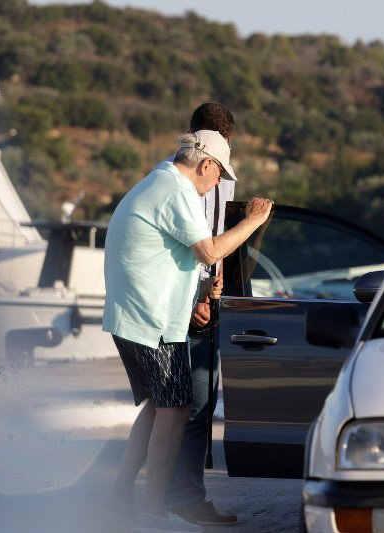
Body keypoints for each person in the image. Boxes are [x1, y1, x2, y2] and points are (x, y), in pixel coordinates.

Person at [103, 129, 272, 532]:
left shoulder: (159, 179)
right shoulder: (177, 189)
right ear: (207, 164)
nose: (217, 184)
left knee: (159, 407)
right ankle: (152, 510)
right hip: (152, 322)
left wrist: (200, 287)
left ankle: (119, 495)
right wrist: (254, 220)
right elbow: (210, 250)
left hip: (137, 317)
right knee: (176, 409)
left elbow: (166, 252)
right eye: (219, 175)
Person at [165, 103, 239, 526]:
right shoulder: (184, 180)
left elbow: (216, 237)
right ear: (220, 143)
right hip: (186, 300)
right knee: (189, 406)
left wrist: (217, 283)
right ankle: (182, 498)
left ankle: (172, 495)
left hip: (205, 294)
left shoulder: (209, 175)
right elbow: (198, 241)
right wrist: (198, 297)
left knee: (195, 404)